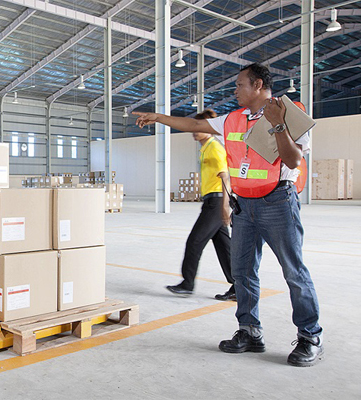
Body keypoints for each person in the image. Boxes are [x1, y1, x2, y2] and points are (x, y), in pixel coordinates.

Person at [134, 63, 323, 367]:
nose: (235, 91)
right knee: (243, 272)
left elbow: (293, 160)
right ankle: (249, 331)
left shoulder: (290, 113)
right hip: (244, 205)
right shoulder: (233, 119)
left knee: (293, 271)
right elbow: (193, 124)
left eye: (239, 85)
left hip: (278, 201)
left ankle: (310, 336)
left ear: (258, 85)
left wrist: (277, 125)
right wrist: (159, 117)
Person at [166, 109, 235, 301]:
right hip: (211, 201)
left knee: (195, 242)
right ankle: (239, 285)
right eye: (194, 128)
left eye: (199, 127)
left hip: (216, 202)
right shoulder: (205, 148)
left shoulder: (214, 148)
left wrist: (225, 207)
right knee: (224, 247)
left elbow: (225, 177)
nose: (195, 131)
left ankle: (187, 284)